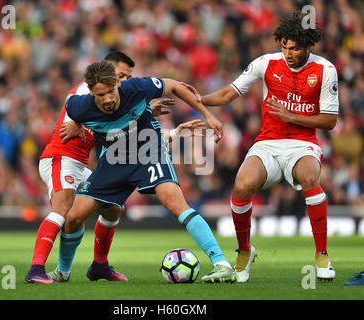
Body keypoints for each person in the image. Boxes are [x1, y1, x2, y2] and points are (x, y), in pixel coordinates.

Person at [24, 51, 205, 284]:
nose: (123, 82)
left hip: (82, 164)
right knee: (64, 207)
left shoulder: (116, 99)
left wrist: (147, 112)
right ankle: (37, 269)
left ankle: (99, 265)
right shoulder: (86, 93)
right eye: (120, 75)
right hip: (62, 157)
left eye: (126, 77)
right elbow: (71, 118)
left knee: (113, 209)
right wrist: (75, 124)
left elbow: (138, 141)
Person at [63, 59, 237, 284]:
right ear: (91, 92)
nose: (107, 99)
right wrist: (76, 123)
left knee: (174, 203)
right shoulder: (79, 105)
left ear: (118, 83)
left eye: (110, 91)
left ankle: (221, 264)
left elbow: (173, 85)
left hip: (148, 151)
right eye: (100, 95)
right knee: (75, 215)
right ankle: (63, 271)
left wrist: (209, 116)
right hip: (114, 161)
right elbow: (71, 106)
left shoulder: (136, 88)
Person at [199, 12, 339, 282]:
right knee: (241, 185)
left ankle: (322, 254)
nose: (288, 53)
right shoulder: (265, 63)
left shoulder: (325, 69)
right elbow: (230, 93)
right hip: (268, 142)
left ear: (308, 45)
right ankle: (244, 251)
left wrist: (290, 116)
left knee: (311, 177)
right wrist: (199, 98)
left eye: (294, 48)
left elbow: (330, 121)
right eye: (284, 47)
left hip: (303, 144)